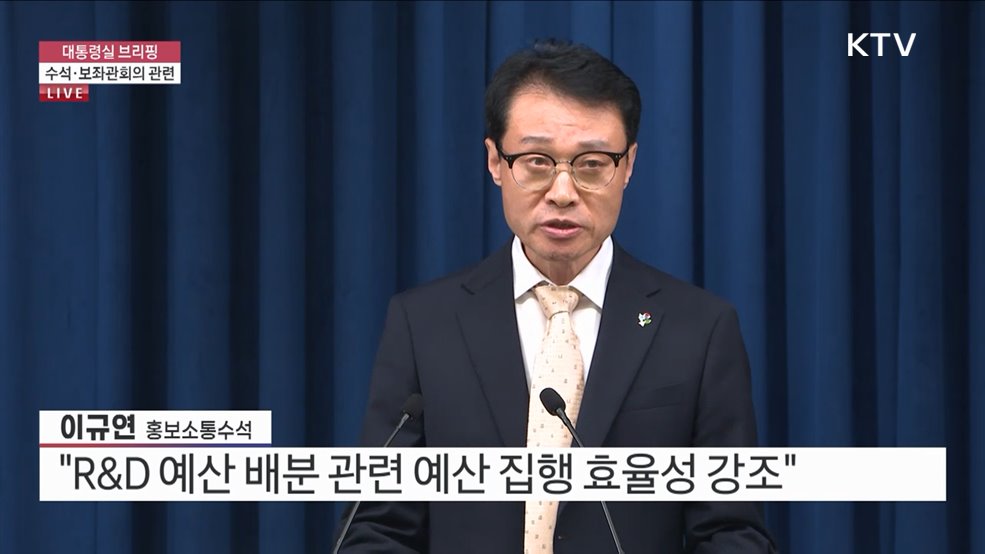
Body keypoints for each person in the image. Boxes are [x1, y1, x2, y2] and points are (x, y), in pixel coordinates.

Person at [338, 39, 774, 553]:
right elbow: (378, 527)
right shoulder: (423, 325)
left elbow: (730, 532)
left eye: (592, 163)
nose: (563, 192)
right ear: (495, 162)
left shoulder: (700, 330)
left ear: (628, 165)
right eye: (537, 162)